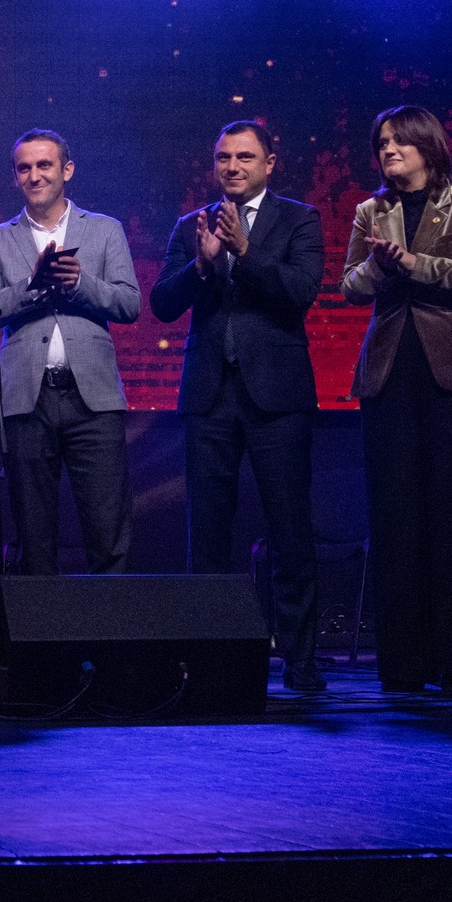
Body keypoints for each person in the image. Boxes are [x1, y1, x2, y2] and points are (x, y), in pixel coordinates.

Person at [152, 121, 327, 691]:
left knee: (290, 532)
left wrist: (245, 253)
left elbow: (300, 291)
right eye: (224, 157)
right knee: (207, 534)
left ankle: (300, 661)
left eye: (245, 157)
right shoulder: (192, 225)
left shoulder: (299, 219)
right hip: (210, 396)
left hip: (278, 395)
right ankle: (211, 661)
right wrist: (201, 266)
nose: (232, 166)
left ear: (269, 163)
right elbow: (162, 303)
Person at [340, 105, 452, 693]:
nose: (387, 150)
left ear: (427, 147)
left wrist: (413, 263)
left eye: (399, 141)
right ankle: (405, 666)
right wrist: (379, 267)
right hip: (390, 376)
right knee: (396, 519)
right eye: (381, 142)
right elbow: (349, 287)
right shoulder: (370, 212)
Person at [0, 129, 141, 574]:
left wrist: (79, 282)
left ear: (67, 170)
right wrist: (32, 286)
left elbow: (129, 303)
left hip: (93, 400)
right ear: (15, 177)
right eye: (24, 168)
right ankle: (39, 623)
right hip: (27, 399)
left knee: (108, 532)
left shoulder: (104, 229)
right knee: (34, 537)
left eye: (44, 165)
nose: (34, 175)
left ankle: (110, 621)